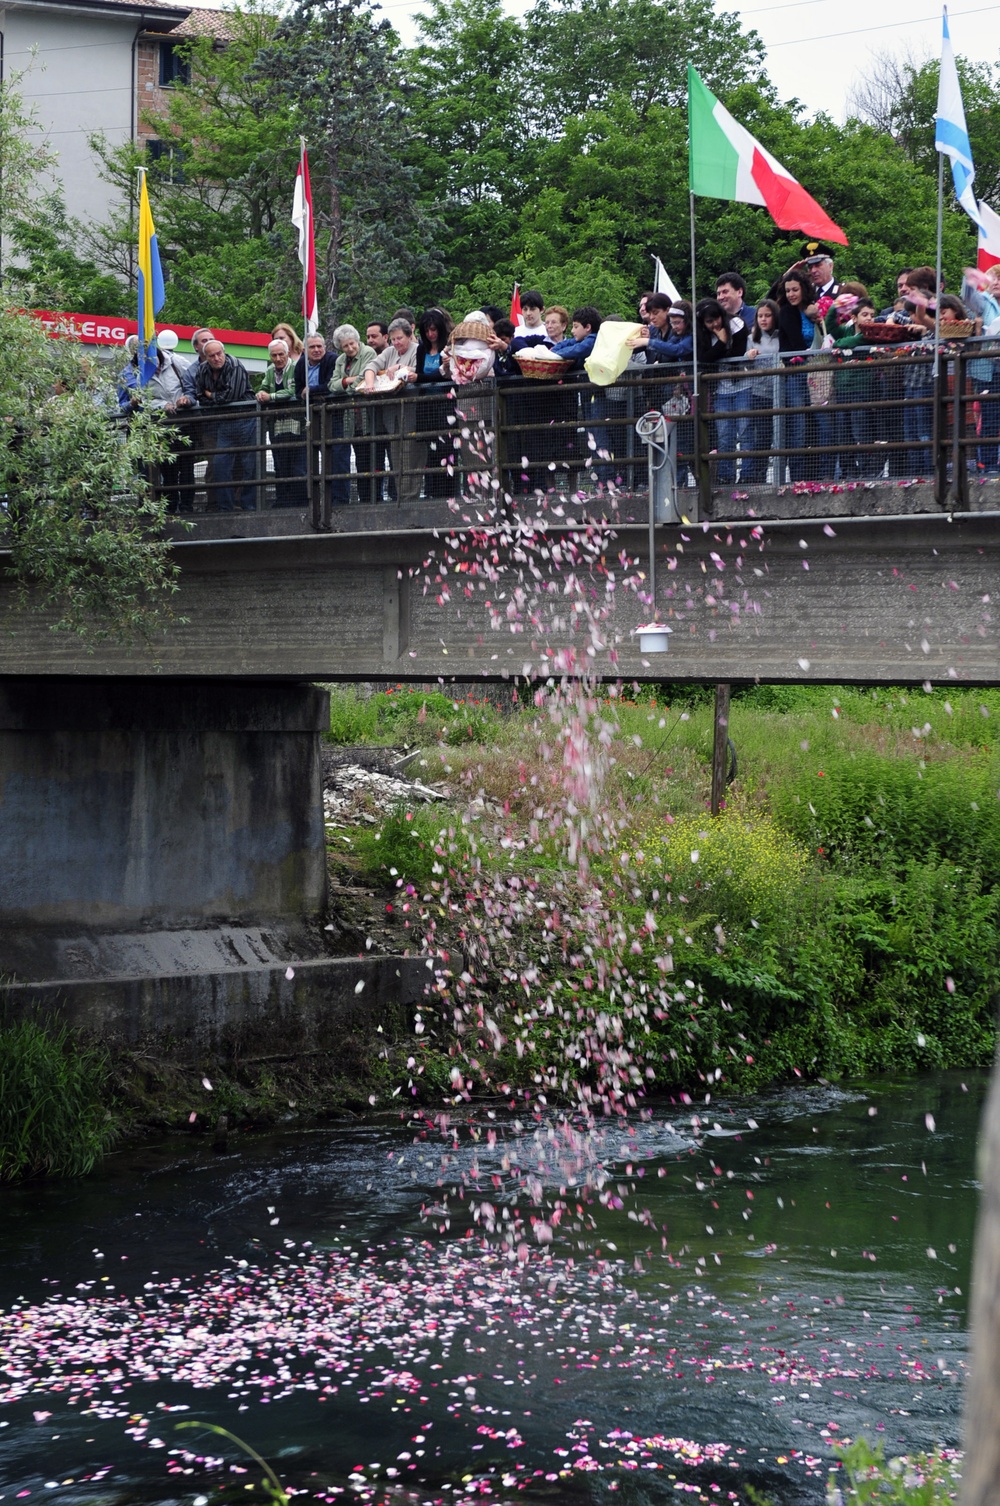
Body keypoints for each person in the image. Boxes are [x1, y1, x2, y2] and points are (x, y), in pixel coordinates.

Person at [193, 340, 257, 511]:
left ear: (224, 352)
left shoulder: (235, 365)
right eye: (212, 355)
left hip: (246, 419)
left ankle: (249, 505)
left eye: (219, 354)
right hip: (224, 422)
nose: (216, 358)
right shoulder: (202, 370)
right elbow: (200, 395)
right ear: (205, 357)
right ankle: (225, 507)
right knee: (220, 464)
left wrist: (211, 395)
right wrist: (214, 397)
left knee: (248, 464)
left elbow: (231, 396)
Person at [696, 297, 750, 486]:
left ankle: (747, 475)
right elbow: (704, 359)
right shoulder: (703, 334)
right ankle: (725, 476)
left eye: (716, 319)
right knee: (724, 434)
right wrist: (721, 342)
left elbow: (736, 354)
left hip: (743, 385)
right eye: (709, 322)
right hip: (721, 389)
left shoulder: (736, 323)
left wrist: (719, 349)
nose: (714, 324)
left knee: (745, 432)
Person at [331, 324, 377, 505]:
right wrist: (346, 381)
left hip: (367, 415)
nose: (350, 348)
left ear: (357, 341)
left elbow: (363, 380)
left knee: (368, 459)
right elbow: (332, 385)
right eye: (345, 346)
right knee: (355, 461)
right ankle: (357, 499)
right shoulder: (341, 360)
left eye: (352, 344)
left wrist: (345, 384)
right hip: (350, 417)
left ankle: (370, 500)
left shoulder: (368, 353)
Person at [257, 337, 306, 507]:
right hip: (277, 426)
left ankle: (299, 501)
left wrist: (271, 397)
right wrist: (261, 393)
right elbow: (264, 386)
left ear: (287, 353)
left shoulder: (296, 367)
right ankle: (282, 501)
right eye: (274, 355)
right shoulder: (270, 370)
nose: (278, 359)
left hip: (296, 423)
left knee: (297, 464)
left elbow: (294, 391)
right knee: (280, 464)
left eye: (281, 355)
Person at [414, 307, 454, 497]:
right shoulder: (422, 349)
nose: (431, 334)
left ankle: (449, 492)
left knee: (447, 449)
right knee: (430, 451)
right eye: (427, 330)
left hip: (446, 404)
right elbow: (422, 374)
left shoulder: (449, 346)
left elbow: (445, 375)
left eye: (434, 330)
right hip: (427, 406)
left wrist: (421, 377)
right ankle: (431, 492)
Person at [743, 299, 781, 485]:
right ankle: (759, 476)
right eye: (760, 316)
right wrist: (748, 356)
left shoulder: (781, 336)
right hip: (758, 393)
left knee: (781, 435)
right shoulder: (751, 339)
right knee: (762, 437)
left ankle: (780, 477)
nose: (763, 319)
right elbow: (741, 361)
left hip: (779, 393)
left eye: (767, 315)